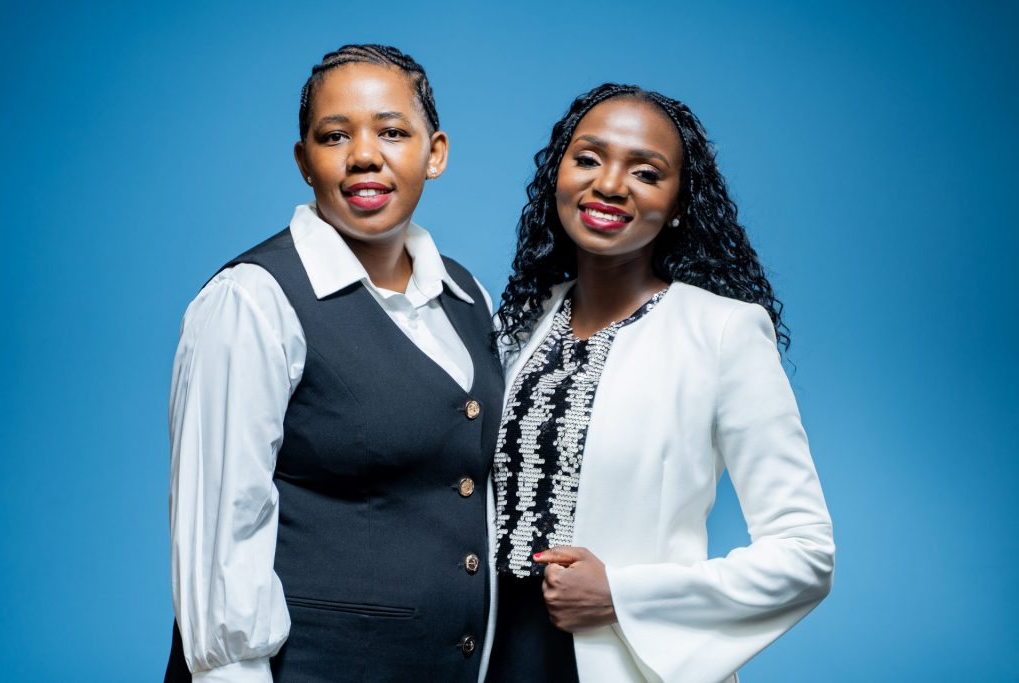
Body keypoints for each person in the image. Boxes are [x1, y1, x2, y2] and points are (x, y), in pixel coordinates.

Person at [164, 44, 503, 683]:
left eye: (392, 131)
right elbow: (220, 534)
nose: (364, 155)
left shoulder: (467, 295)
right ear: (304, 161)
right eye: (335, 135)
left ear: (435, 153)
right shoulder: (253, 299)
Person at [483, 84, 835, 683]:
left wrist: (622, 595)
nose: (609, 184)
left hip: (621, 661)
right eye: (588, 159)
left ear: (677, 205)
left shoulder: (722, 332)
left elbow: (806, 552)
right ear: (557, 177)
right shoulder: (514, 325)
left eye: (645, 172)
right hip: (490, 654)